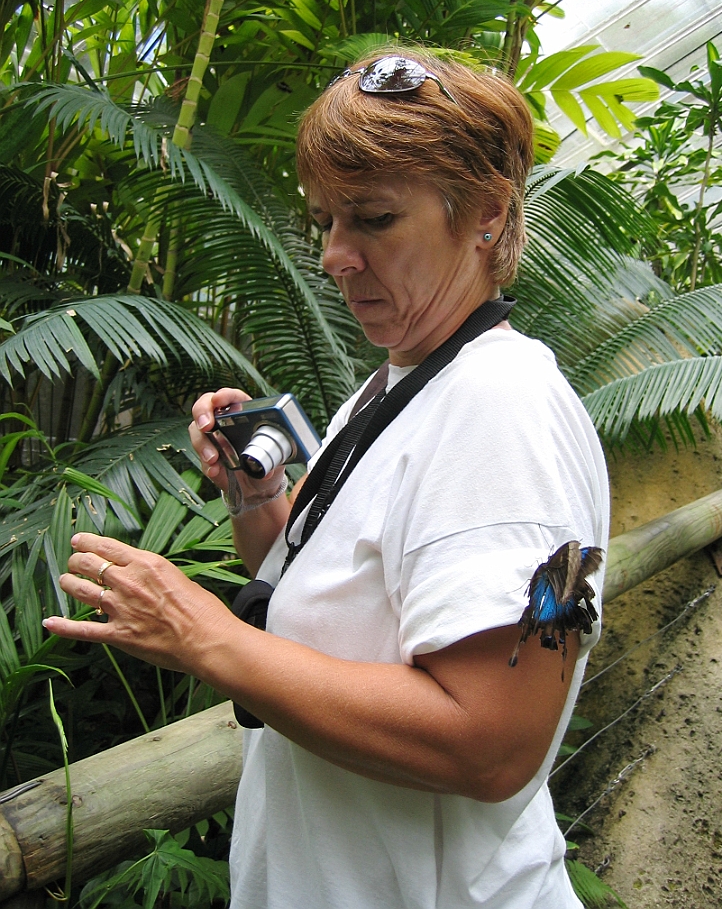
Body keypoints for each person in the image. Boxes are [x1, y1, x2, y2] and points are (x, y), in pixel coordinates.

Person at [45, 50, 610, 909]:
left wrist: (210, 640)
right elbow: (314, 598)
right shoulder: (399, 381)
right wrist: (260, 496)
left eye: (374, 219)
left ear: (488, 215)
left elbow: (492, 744)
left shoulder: (500, 405)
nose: (335, 255)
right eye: (325, 222)